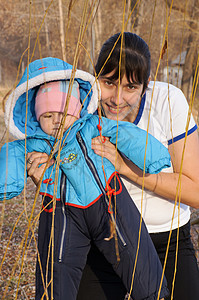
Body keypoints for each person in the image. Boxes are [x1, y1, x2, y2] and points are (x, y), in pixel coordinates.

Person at [0, 57, 170, 300]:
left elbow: (127, 134)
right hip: (60, 208)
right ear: (36, 118)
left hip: (107, 199)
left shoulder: (92, 126)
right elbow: (10, 155)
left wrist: (153, 157)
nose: (57, 121)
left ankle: (153, 293)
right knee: (56, 267)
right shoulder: (35, 143)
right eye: (47, 116)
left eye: (63, 113)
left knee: (132, 247)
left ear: (77, 108)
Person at [77, 32, 199, 300]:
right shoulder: (80, 109)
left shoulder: (168, 102)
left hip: (167, 244)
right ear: (95, 78)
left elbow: (195, 191)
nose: (117, 98)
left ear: (146, 86)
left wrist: (124, 166)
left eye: (131, 87)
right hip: (105, 245)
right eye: (109, 82)